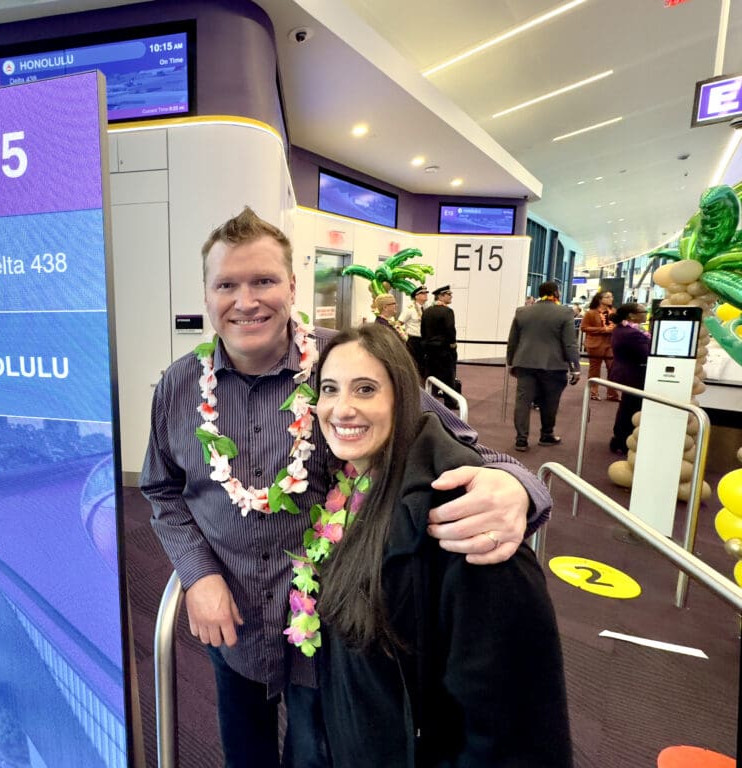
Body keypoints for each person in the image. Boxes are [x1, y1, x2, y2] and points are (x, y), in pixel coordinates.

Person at [140, 207, 553, 768]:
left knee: (317, 757)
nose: (246, 300)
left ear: (292, 284)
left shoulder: (344, 363)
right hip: (231, 618)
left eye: (263, 280)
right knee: (245, 754)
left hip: (335, 632)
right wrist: (198, 574)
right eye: (227, 284)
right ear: (207, 293)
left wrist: (519, 485)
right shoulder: (179, 386)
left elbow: (457, 442)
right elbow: (162, 490)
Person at [313, 323, 573, 766]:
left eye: (365, 389)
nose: (342, 409)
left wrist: (522, 485)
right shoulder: (361, 486)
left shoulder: (464, 522)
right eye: (329, 389)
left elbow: (513, 733)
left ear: (405, 399)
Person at [506, 281, 581, 451]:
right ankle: (547, 435)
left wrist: (511, 361)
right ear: (556, 292)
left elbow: (513, 341)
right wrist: (575, 367)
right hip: (554, 365)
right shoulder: (565, 312)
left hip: (525, 363)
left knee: (522, 402)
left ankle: (521, 439)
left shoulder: (522, 311)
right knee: (550, 402)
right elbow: (570, 343)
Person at [609, 302, 650, 455]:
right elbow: (645, 354)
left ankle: (620, 438)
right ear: (631, 315)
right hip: (633, 374)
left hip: (627, 373)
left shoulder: (624, 330)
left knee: (627, 406)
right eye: (643, 311)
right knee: (631, 408)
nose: (646, 313)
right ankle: (623, 440)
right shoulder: (632, 333)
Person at [421, 284, 458, 407]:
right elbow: (450, 330)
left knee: (431, 375)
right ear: (441, 296)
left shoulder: (427, 311)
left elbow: (423, 331)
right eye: (448, 294)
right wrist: (453, 344)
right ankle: (450, 401)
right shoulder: (447, 311)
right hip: (444, 349)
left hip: (429, 349)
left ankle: (428, 401)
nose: (451, 296)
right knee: (448, 376)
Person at [582, 290, 619, 402]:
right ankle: (593, 392)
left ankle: (612, 393)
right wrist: (603, 329)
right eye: (607, 297)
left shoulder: (614, 311)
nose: (611, 298)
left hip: (611, 344)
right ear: (600, 299)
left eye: (611, 296)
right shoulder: (591, 313)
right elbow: (584, 328)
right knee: (595, 370)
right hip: (595, 344)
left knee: (613, 369)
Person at [398, 284, 428, 379]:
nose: (425, 295)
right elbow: (398, 324)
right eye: (422, 293)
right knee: (414, 364)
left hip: (424, 340)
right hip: (414, 341)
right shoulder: (409, 309)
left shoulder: (426, 308)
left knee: (423, 365)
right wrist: (404, 336)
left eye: (426, 293)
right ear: (416, 296)